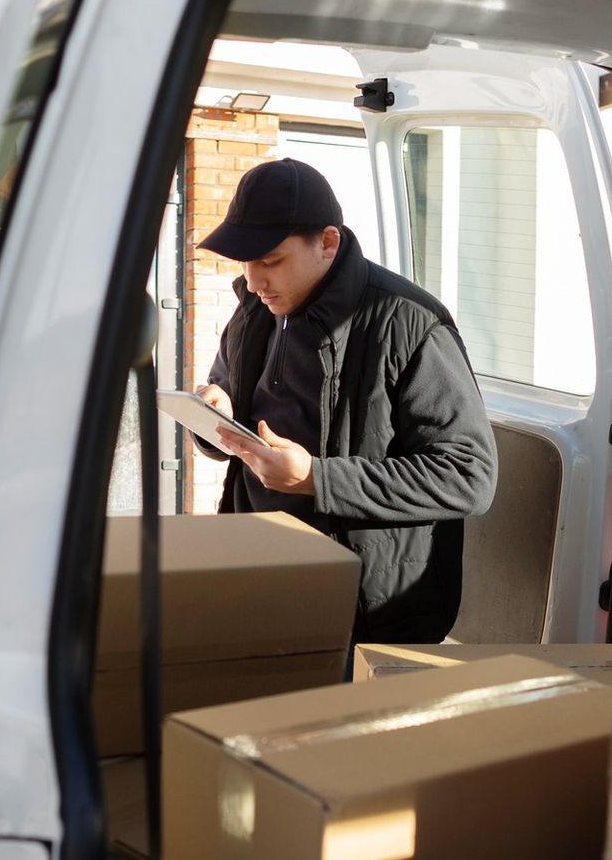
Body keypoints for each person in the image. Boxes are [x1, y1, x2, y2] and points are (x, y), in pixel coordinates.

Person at [194, 157, 498, 644]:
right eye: (244, 262)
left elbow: (469, 477)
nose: (253, 280)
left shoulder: (410, 322)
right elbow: (226, 390)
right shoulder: (254, 309)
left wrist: (316, 479)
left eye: (270, 261)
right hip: (257, 579)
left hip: (367, 610)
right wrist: (213, 416)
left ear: (328, 242)